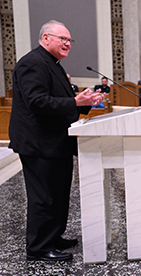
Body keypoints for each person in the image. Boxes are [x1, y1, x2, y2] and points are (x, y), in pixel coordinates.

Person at [9, 20, 104, 261]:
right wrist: (75, 102)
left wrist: (83, 104)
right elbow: (37, 102)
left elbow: (59, 104)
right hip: (39, 143)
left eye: (70, 40)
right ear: (45, 38)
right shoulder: (32, 63)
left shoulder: (53, 64)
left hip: (56, 142)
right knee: (44, 196)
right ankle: (39, 247)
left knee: (59, 193)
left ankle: (53, 236)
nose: (67, 43)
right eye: (63, 38)